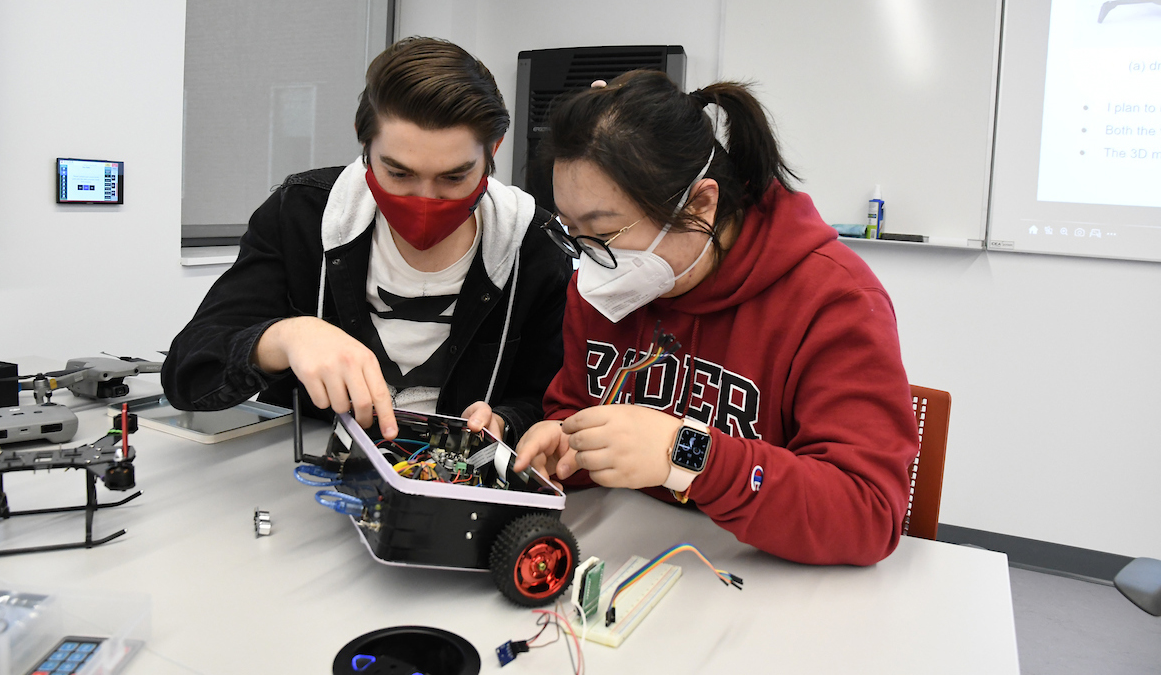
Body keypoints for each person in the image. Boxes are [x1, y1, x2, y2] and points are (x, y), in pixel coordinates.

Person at [513, 71, 920, 565]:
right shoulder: (605, 283)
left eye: (603, 231)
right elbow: (573, 408)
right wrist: (568, 445)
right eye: (571, 229)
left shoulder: (834, 300)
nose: (588, 260)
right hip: (634, 556)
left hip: (763, 578)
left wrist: (686, 454)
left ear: (701, 204)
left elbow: (867, 512)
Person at [162, 38, 571, 446]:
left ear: (493, 150)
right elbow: (189, 374)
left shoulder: (534, 245)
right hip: (307, 470)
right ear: (363, 141)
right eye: (399, 174)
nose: (425, 201)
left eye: (453, 178)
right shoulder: (302, 214)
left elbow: (549, 400)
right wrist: (286, 337)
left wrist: (505, 421)